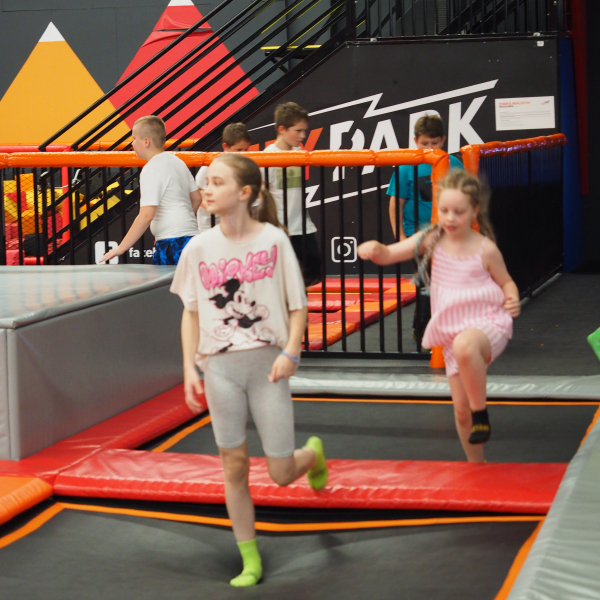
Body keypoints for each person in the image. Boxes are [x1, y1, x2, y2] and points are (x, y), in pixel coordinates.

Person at [170, 153, 328, 587]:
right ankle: (249, 558)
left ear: (244, 193)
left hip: (266, 368)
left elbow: (298, 306)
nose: (207, 189)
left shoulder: (273, 241)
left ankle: (312, 454)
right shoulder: (198, 248)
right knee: (234, 465)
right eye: (207, 182)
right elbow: (190, 312)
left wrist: (290, 352)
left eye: (217, 182)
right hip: (220, 369)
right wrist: (189, 367)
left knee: (280, 474)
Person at [358, 170, 520, 462]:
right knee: (460, 412)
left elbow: (506, 281)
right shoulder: (433, 238)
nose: (450, 218)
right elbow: (390, 254)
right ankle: (477, 466)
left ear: (475, 210)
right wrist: (375, 248)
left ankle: (481, 413)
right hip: (452, 331)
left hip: (487, 324)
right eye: (444, 211)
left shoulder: (485, 249)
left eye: (459, 212)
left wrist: (511, 297)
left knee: (465, 345)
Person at [387, 114, 463, 342]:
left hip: (447, 233)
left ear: (444, 140)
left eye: (434, 143)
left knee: (442, 282)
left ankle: (435, 330)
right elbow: (396, 203)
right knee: (429, 281)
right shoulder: (406, 167)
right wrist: (401, 236)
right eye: (424, 143)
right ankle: (423, 332)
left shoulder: (454, 164)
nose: (430, 148)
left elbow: (465, 199)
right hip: (417, 235)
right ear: (415, 141)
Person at [100, 115, 201, 265]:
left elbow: (146, 215)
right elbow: (197, 198)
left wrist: (121, 248)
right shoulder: (178, 162)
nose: (132, 143)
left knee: (170, 281)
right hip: (191, 237)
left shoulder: (151, 168)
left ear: (146, 141)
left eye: (134, 139)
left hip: (172, 242)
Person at [264, 102, 321, 287]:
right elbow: (260, 193)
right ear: (282, 129)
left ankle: (297, 304)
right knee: (283, 280)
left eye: (304, 131)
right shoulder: (267, 156)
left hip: (303, 227)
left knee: (312, 274)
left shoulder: (299, 153)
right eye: (298, 131)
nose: (302, 136)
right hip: (280, 229)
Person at [196, 122, 252, 233]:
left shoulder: (245, 166)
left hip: (234, 223)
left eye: (246, 150)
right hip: (210, 224)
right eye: (238, 150)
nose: (243, 154)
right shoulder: (211, 163)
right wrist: (213, 207)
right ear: (225, 147)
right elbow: (197, 190)